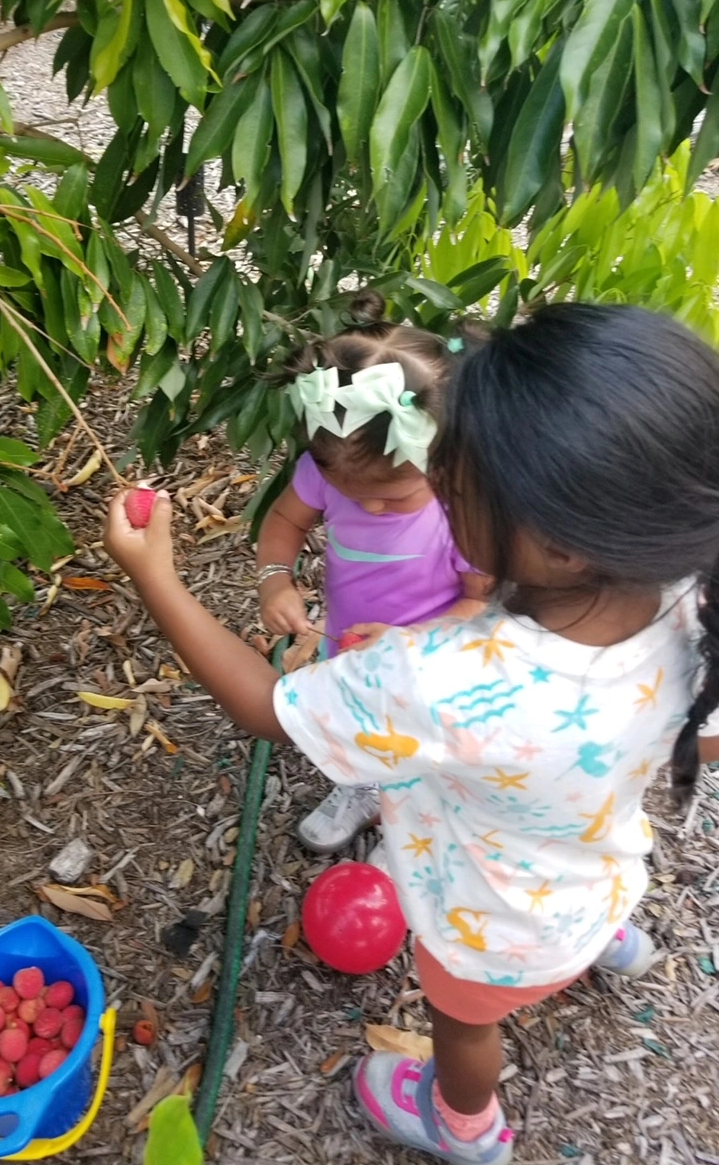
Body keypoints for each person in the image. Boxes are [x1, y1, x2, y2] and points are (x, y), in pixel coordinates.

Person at [104, 303, 719, 1164]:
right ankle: (595, 945)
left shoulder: (440, 681)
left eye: (461, 478)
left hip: (484, 923)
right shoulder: (691, 604)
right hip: (600, 872)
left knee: (464, 1022)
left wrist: (157, 576)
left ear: (562, 546)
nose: (440, 482)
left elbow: (265, 707)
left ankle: (465, 1125)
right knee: (574, 907)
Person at [257, 293, 489, 853]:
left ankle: (416, 821)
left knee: (425, 746)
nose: (372, 509)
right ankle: (361, 787)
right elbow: (285, 521)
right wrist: (274, 577)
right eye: (347, 494)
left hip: (429, 665)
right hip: (351, 647)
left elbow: (479, 604)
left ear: (441, 458)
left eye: (392, 497)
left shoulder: (462, 511)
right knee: (361, 727)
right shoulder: (324, 469)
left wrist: (410, 643)